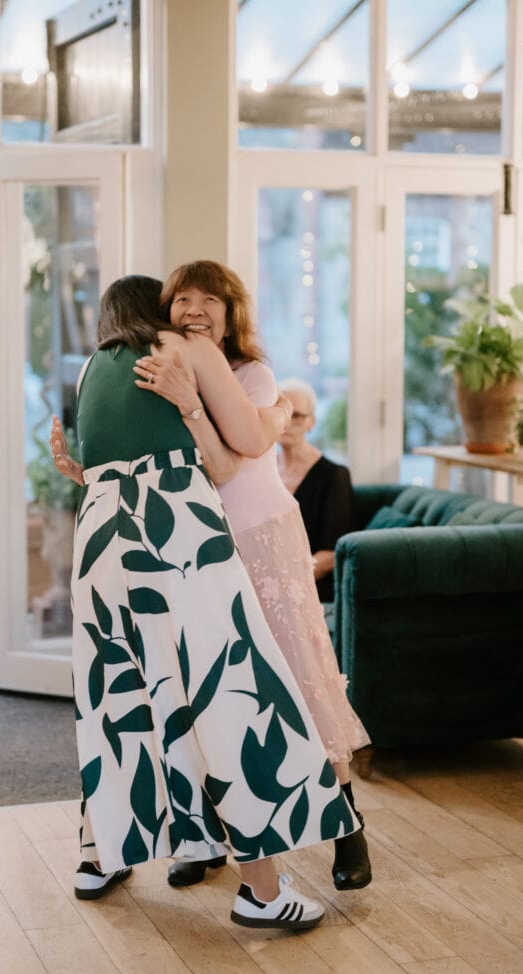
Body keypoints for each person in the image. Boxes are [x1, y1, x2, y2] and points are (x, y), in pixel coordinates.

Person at [49, 274, 359, 931]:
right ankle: (262, 892)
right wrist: (274, 417)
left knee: (121, 696)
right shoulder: (182, 348)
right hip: (177, 529)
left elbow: (97, 456)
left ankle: (102, 853)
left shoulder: (91, 370)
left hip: (102, 533)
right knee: (234, 693)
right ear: (156, 311)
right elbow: (245, 445)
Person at [133, 260, 371, 892]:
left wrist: (190, 406)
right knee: (212, 690)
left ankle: (349, 832)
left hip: (263, 539)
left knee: (299, 675)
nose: (194, 309)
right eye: (181, 298)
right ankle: (210, 835)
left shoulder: (254, 375)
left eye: (210, 299)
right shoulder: (160, 373)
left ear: (232, 312)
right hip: (199, 548)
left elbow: (230, 468)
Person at [277, 378, 355, 603]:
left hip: (309, 586)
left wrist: (286, 584)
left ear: (312, 422)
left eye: (296, 416)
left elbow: (331, 554)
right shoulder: (264, 470)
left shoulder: (334, 475)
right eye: (280, 412)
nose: (286, 422)